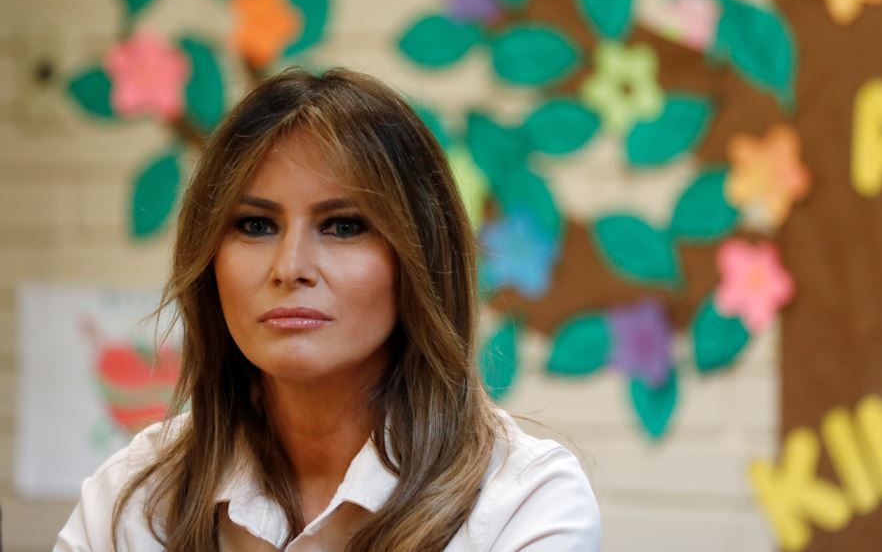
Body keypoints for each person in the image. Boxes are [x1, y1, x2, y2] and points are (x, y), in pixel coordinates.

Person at [54, 67, 601, 551]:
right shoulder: (133, 496)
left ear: (419, 259)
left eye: (343, 226)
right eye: (255, 225)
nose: (290, 266)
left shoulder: (523, 502)